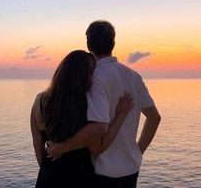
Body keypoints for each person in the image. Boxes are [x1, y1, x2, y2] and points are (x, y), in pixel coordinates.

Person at [46, 21, 161, 188]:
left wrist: (62, 147)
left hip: (103, 173)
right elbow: (154, 118)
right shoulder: (133, 76)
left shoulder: (94, 77)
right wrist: (138, 150)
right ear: (113, 43)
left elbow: (99, 127)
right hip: (131, 169)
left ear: (88, 44)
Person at [31, 50, 133, 188]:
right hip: (80, 180)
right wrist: (121, 115)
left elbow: (38, 149)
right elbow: (98, 148)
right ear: (84, 77)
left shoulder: (40, 101)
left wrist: (50, 170)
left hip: (47, 179)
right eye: (93, 73)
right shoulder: (86, 107)